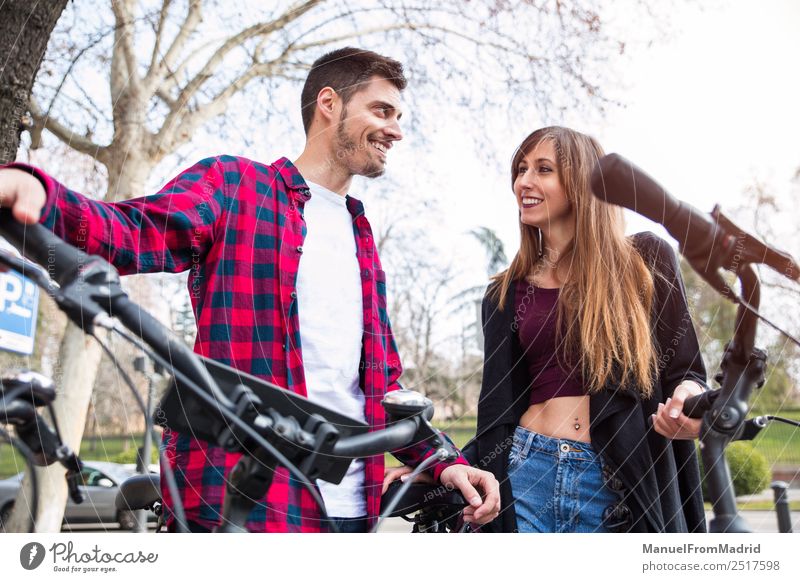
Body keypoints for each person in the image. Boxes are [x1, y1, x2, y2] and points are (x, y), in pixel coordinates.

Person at [0, 47, 500, 533]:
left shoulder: (361, 236)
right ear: (330, 104)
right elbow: (130, 232)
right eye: (382, 110)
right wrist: (41, 196)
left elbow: (384, 383)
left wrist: (443, 462)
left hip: (354, 509)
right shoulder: (236, 186)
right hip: (244, 502)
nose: (395, 129)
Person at [461, 126, 708, 533]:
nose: (524, 181)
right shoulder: (505, 292)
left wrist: (689, 400)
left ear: (581, 182)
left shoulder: (645, 262)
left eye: (543, 169)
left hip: (616, 479)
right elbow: (495, 414)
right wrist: (442, 466)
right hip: (527, 473)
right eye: (520, 170)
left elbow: (687, 372)